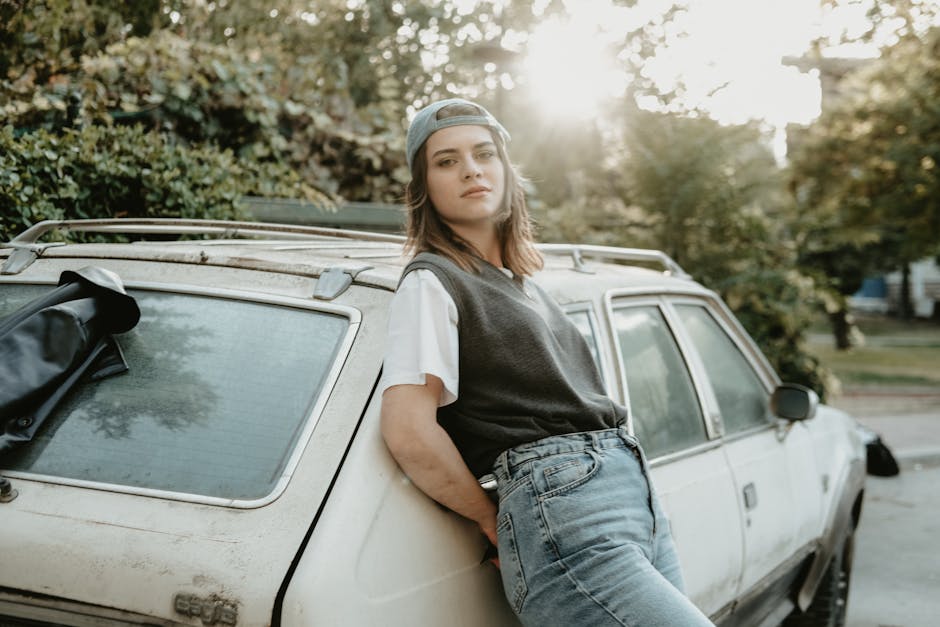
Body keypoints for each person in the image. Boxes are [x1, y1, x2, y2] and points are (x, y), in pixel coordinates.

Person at [379, 97, 713, 627]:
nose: (470, 169)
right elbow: (409, 431)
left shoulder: (523, 284)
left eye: (484, 154)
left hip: (629, 499)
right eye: (445, 161)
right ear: (424, 188)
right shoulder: (431, 282)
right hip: (560, 511)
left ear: (507, 171)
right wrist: (493, 519)